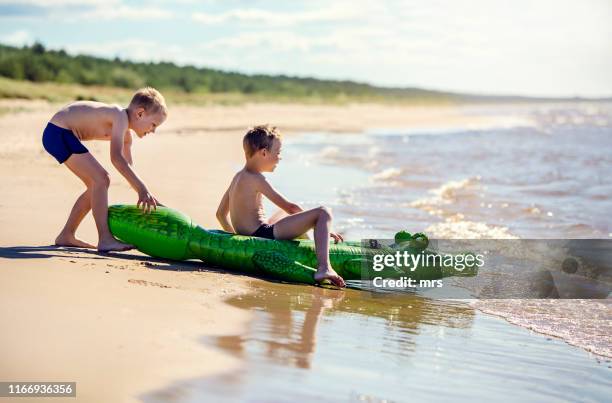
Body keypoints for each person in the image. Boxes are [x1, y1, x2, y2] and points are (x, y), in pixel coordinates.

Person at [216, 125, 346, 287]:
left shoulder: (238, 177)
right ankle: (324, 267)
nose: (280, 158)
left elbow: (220, 214)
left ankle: (313, 242)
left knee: (283, 214)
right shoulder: (257, 179)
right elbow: (291, 207)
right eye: (278, 153)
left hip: (255, 231)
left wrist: (236, 239)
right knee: (323, 213)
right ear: (263, 153)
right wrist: (324, 228)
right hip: (264, 234)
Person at [42, 87, 167, 252]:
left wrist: (144, 193)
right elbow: (116, 158)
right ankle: (105, 238)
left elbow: (127, 168)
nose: (153, 131)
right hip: (58, 131)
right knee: (102, 179)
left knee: (96, 186)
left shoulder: (126, 135)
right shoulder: (119, 116)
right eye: (153, 125)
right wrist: (142, 189)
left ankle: (66, 235)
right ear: (140, 113)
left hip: (60, 134)